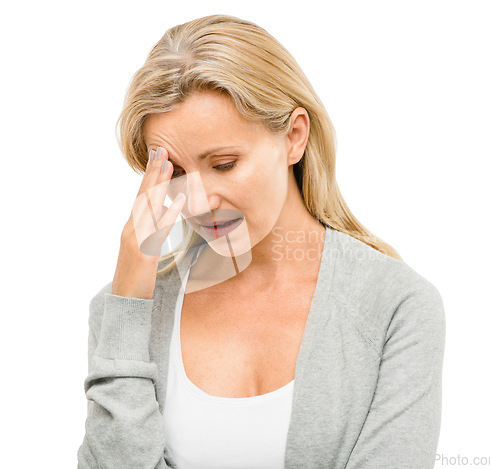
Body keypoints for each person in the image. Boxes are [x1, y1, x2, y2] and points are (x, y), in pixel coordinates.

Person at [77, 14, 446, 469]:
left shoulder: (395, 307)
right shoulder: (125, 314)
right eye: (173, 172)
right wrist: (129, 302)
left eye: (225, 164)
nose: (199, 201)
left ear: (294, 137)